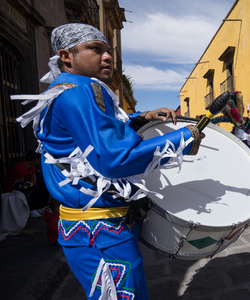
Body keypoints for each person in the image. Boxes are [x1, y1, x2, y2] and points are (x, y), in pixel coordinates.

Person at [12, 23, 204, 300]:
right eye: (95, 49)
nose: (107, 57)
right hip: (100, 230)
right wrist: (185, 138)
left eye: (108, 51)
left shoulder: (63, 89)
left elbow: (89, 136)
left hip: (90, 227)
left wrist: (141, 118)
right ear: (66, 56)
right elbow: (114, 158)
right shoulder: (80, 91)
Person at [4, 151, 41, 217]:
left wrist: (29, 183)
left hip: (26, 186)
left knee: (36, 187)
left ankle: (33, 209)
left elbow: (34, 181)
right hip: (12, 189)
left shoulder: (31, 167)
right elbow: (20, 183)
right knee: (28, 189)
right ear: (36, 159)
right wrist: (29, 183)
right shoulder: (19, 167)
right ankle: (30, 209)